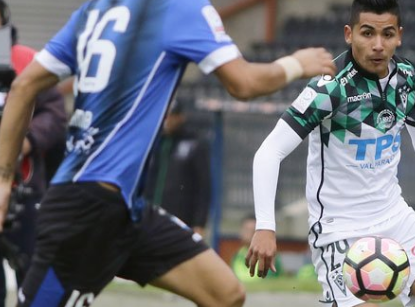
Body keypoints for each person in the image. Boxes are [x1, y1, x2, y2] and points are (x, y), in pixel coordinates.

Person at [0, 0, 337, 306]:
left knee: (225, 293)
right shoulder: (180, 9)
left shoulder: (94, 10)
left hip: (124, 210)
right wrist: (296, 63)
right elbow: (244, 83)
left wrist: (3, 181)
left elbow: (22, 85)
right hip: (85, 211)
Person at [246, 0, 415, 306]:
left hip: (394, 216)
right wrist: (265, 226)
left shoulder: (408, 79)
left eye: (387, 35)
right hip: (339, 229)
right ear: (349, 34)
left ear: (399, 35)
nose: (378, 45)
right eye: (367, 33)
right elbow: (269, 152)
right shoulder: (329, 89)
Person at [0, 2, 67, 306]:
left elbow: (55, 115)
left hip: (23, 191)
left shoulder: (28, 59)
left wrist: (23, 141)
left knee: (34, 276)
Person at [144, 99, 211, 236]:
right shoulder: (153, 142)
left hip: (181, 217)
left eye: (171, 116)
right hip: (150, 215)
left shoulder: (193, 143)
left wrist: (199, 222)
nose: (167, 120)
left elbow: (204, 186)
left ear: (180, 117)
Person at [230, 215, 282, 282]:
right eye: (246, 229)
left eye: (253, 230)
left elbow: (273, 280)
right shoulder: (236, 255)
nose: (249, 233)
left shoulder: (269, 253)